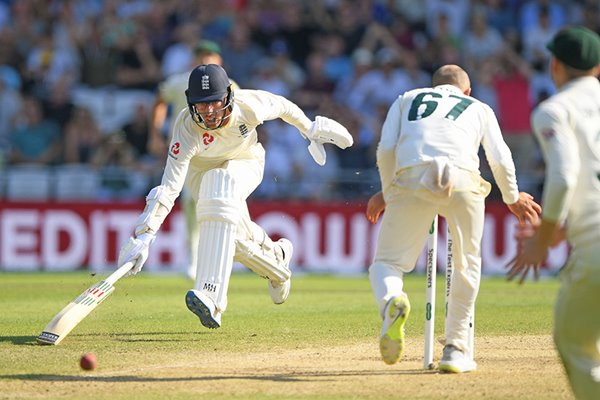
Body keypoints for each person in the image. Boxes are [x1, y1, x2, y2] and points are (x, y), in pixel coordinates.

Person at [118, 64, 353, 329]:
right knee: (232, 237)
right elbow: (170, 186)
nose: (208, 111)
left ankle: (211, 297)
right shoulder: (186, 127)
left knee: (220, 184)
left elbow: (284, 106)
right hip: (200, 174)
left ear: (228, 96)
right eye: (201, 104)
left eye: (214, 102)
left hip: (246, 160)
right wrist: (146, 234)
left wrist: (309, 129)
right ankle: (278, 262)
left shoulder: (249, 104)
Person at [365, 64, 540, 373]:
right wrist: (512, 198)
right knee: (467, 264)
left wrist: (387, 190)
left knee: (386, 264)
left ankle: (392, 300)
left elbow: (386, 150)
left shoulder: (407, 98)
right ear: (467, 91)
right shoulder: (479, 107)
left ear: (432, 87)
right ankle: (456, 350)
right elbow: (499, 157)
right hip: (463, 178)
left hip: (412, 174)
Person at [506, 26, 600, 399]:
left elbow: (563, 176)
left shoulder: (553, 110)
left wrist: (544, 239)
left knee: (573, 340)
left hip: (594, 248)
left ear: (555, 66)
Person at [149, 40, 230, 280]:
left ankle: (223, 256)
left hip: (219, 154)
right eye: (202, 56)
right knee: (190, 202)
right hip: (187, 153)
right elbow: (159, 101)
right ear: (193, 60)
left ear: (220, 61)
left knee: (219, 204)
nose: (206, 61)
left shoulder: (229, 85)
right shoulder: (178, 82)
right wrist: (155, 133)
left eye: (211, 57)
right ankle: (194, 259)